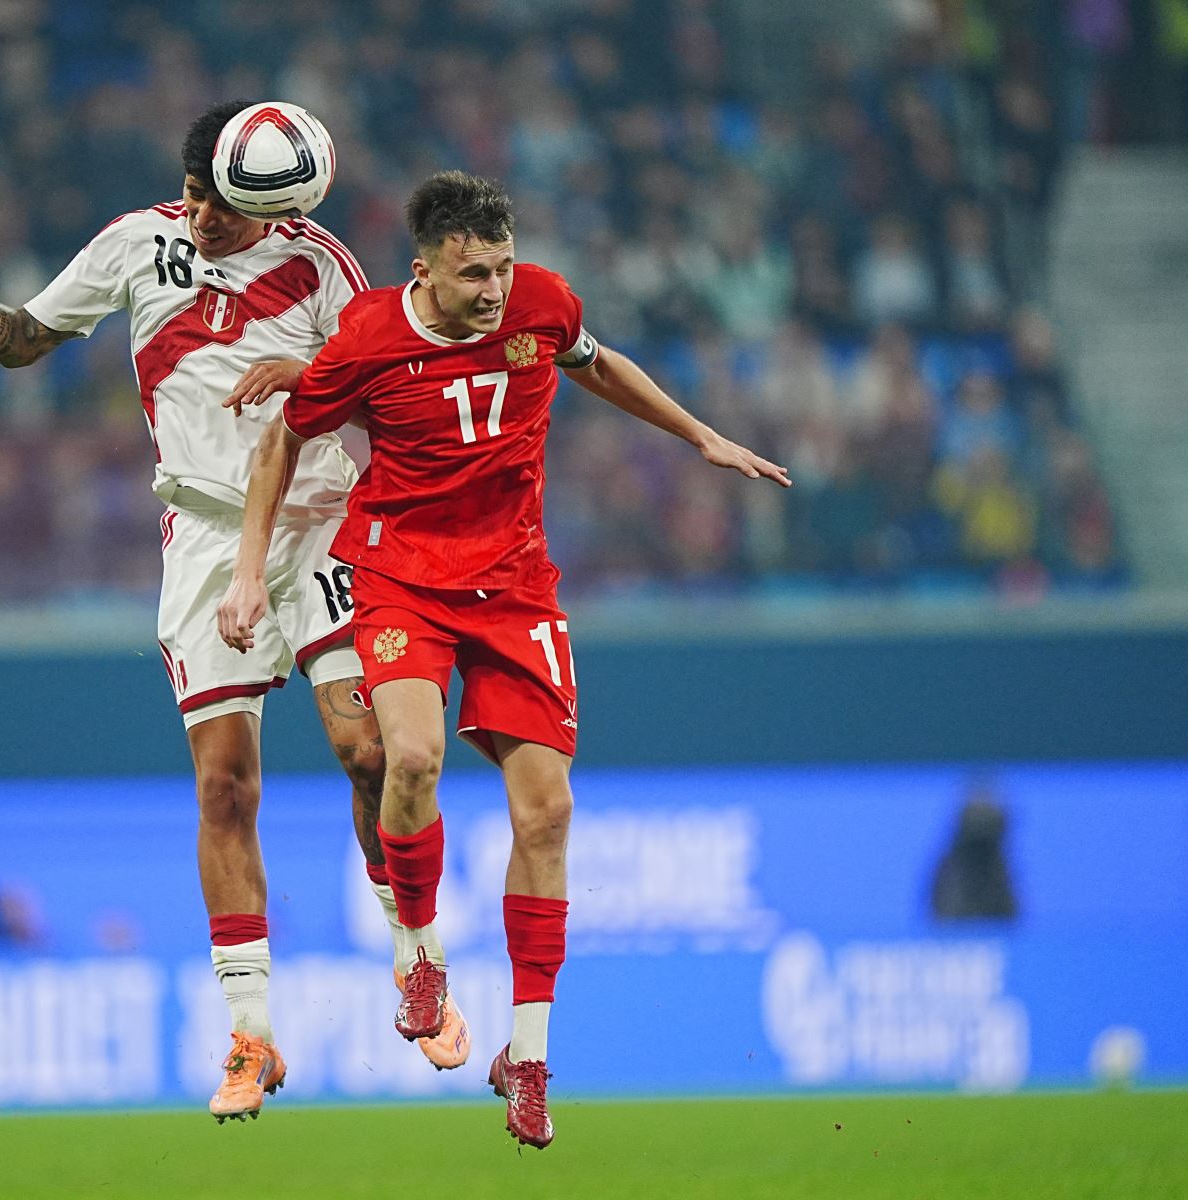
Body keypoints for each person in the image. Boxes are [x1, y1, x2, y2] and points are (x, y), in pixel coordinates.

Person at [218, 171, 790, 1147]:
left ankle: (527, 1059)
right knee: (408, 758)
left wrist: (701, 436)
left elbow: (595, 362)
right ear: (425, 268)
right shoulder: (367, 338)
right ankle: (422, 950)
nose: (492, 289)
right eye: (472, 272)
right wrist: (243, 574)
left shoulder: (543, 305)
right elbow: (283, 439)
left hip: (516, 587)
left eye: (502, 266)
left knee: (549, 809)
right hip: (402, 574)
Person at [0, 100, 468, 1121]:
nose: (199, 216)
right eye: (192, 194)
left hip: (320, 526)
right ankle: (252, 1036)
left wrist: (304, 373)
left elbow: (391, 383)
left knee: (369, 753)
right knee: (226, 787)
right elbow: (23, 342)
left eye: (219, 205)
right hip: (206, 543)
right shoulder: (137, 243)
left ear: (271, 202)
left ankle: (414, 954)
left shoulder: (319, 266)